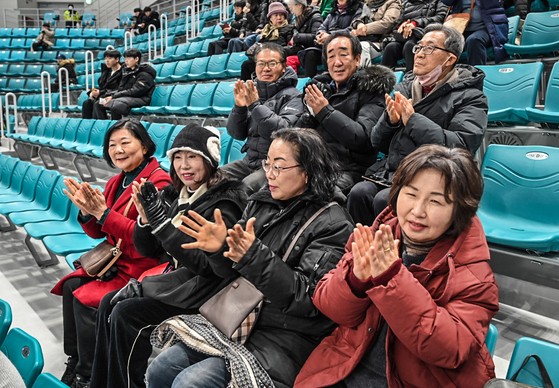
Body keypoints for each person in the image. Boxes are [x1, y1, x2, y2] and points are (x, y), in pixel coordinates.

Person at [145, 127, 355, 388]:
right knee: (161, 369)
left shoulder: (334, 224)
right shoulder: (262, 202)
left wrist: (252, 254)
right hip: (239, 318)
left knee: (190, 383)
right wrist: (219, 250)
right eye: (267, 163)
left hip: (287, 335)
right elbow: (228, 273)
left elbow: (308, 300)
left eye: (279, 166)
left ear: (308, 172)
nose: (269, 173)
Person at [294, 144, 499, 388]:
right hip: (348, 368)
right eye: (411, 194)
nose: (418, 211)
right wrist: (355, 282)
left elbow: (449, 349)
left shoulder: (475, 275)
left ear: (459, 210)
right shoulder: (378, 235)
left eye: (435, 202)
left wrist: (391, 279)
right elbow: (330, 308)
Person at [89, 124, 248, 388]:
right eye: (177, 157)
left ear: (210, 159)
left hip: (207, 296)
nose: (184, 165)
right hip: (182, 285)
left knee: (126, 314)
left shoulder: (224, 204)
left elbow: (207, 269)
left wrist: (163, 227)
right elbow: (149, 250)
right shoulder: (181, 195)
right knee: (108, 303)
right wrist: (144, 219)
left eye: (192, 156)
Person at [51, 119, 171, 388]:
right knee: (70, 285)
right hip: (117, 261)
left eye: (125, 142)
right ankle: (77, 358)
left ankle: (88, 373)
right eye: (112, 145)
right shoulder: (118, 180)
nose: (118, 149)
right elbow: (99, 233)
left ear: (144, 145)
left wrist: (103, 213)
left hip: (143, 266)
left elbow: (147, 239)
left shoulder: (158, 181)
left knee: (87, 299)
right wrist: (86, 211)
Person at [347, 24, 488, 226]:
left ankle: (400, 256)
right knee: (358, 193)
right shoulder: (404, 88)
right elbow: (377, 142)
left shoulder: (471, 97)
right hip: (397, 174)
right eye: (418, 47)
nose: (419, 54)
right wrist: (390, 121)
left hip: (437, 179)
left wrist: (413, 120)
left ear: (450, 59)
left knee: (384, 200)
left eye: (429, 48)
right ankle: (361, 253)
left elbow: (461, 147)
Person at [297, 32, 395, 194]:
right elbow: (298, 138)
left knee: (314, 194)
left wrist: (324, 111)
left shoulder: (372, 90)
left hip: (348, 170)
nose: (337, 62)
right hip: (314, 165)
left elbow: (362, 139)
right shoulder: (319, 89)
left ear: (357, 59)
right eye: (331, 56)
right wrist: (308, 116)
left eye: (343, 55)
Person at [223, 43, 304, 195]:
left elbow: (283, 131)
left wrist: (254, 106)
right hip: (249, 161)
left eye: (272, 63)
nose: (265, 68)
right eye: (261, 64)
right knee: (214, 178)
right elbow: (236, 134)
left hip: (276, 165)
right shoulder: (253, 92)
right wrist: (239, 108)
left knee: (245, 188)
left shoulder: (294, 96)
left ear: (283, 66)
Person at [298, 0, 363, 78]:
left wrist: (330, 36)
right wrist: (321, 36)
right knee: (310, 54)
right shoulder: (333, 12)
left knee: (327, 54)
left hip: (346, 45)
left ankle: (332, 82)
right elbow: (321, 28)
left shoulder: (358, 10)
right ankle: (311, 85)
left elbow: (351, 30)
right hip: (328, 44)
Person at [380, 0, 446, 72]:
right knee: (391, 47)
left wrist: (415, 23)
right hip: (407, 37)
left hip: (427, 37)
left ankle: (412, 78)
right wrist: (403, 26)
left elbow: (440, 18)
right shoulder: (407, 3)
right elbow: (396, 26)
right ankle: (382, 79)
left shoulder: (438, 1)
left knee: (410, 46)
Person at [93, 48, 156, 120]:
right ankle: (104, 126)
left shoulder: (144, 75)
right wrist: (111, 96)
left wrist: (113, 97)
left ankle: (116, 126)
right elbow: (121, 89)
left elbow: (135, 91)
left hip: (141, 98)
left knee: (114, 104)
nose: (126, 60)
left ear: (136, 59)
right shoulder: (128, 73)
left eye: (129, 58)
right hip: (128, 97)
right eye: (125, 58)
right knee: (99, 103)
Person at [240, 2, 295, 80]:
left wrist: (275, 52)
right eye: (276, 15)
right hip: (265, 59)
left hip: (278, 60)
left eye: (281, 15)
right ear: (270, 18)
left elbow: (292, 48)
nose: (279, 18)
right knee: (247, 64)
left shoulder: (290, 29)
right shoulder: (267, 31)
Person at [442, 0, 508, 65]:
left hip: (488, 28)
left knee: (474, 40)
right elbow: (446, 2)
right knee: (443, 42)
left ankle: (476, 73)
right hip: (461, 27)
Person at [350, 0, 402, 66]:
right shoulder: (367, 5)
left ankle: (363, 75)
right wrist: (358, 24)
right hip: (365, 39)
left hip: (382, 42)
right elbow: (360, 19)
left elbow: (387, 24)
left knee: (362, 47)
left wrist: (364, 29)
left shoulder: (393, 2)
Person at [284, 0, 324, 72]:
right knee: (281, 51)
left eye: (291, 8)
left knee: (309, 55)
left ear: (299, 5)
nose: (291, 11)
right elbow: (294, 30)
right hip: (301, 47)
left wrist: (297, 37)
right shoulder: (298, 18)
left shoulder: (315, 17)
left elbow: (316, 36)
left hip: (313, 49)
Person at [82, 49, 122, 119]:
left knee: (98, 103)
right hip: (104, 95)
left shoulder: (123, 72)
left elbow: (119, 89)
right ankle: (88, 126)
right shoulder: (107, 72)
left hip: (114, 97)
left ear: (117, 59)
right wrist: (93, 91)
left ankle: (103, 126)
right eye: (106, 58)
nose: (107, 61)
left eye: (110, 58)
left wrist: (100, 92)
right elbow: (101, 86)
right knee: (87, 103)